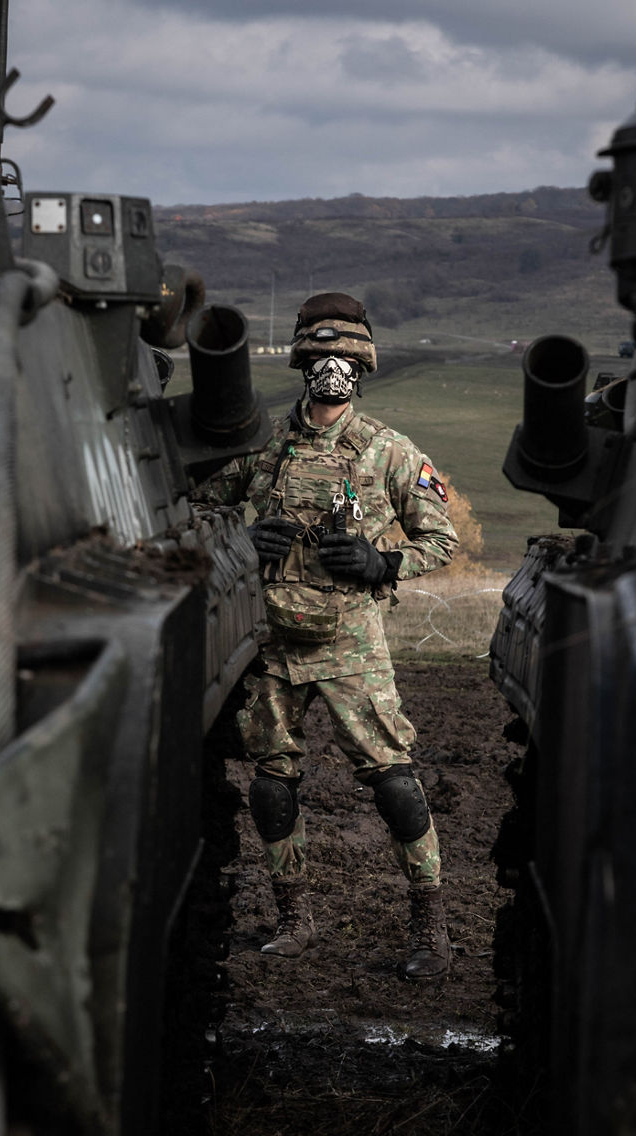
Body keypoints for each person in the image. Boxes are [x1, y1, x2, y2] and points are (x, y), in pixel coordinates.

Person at [192, 292, 459, 979]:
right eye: (318, 358)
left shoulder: (390, 451)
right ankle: (295, 919)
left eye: (343, 360)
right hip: (273, 641)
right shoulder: (264, 449)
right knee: (271, 786)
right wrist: (241, 541)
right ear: (302, 364)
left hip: (353, 644)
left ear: (362, 369)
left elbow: (441, 538)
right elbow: (196, 514)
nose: (330, 371)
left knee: (395, 783)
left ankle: (432, 928)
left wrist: (385, 561)